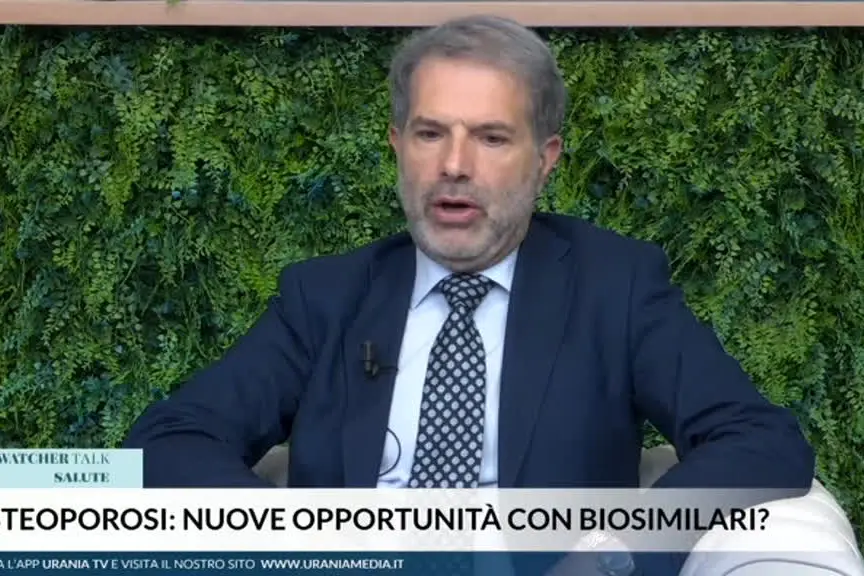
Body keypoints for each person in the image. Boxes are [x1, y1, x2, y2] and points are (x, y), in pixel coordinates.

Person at [123, 14, 815, 575]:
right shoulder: (326, 297)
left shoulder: (616, 287)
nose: (454, 165)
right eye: (431, 134)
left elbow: (760, 440)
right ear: (398, 146)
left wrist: (616, 553)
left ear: (544, 160)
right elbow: (169, 442)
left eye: (490, 137)